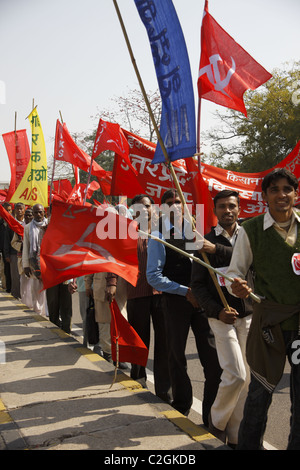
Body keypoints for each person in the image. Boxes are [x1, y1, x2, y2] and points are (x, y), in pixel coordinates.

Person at [226, 168, 300, 450]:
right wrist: (241, 287)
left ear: (295, 193)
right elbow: (235, 274)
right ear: (265, 195)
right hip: (268, 324)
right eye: (274, 190)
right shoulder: (252, 230)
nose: (281, 195)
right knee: (259, 393)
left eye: (287, 189)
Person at [146, 189, 222, 424]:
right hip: (175, 302)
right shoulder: (158, 236)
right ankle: (182, 408)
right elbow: (153, 276)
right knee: (176, 356)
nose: (175, 206)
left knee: (212, 358)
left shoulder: (199, 233)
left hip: (203, 303)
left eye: (178, 201)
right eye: (169, 203)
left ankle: (212, 415)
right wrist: (185, 291)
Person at [190, 189, 253, 447]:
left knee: (247, 379)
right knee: (235, 374)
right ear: (214, 211)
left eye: (232, 206)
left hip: (248, 316)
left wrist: (215, 249)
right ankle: (216, 423)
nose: (228, 211)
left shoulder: (248, 237)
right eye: (222, 207)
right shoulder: (201, 242)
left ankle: (236, 435)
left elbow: (249, 262)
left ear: (239, 210)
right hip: (220, 318)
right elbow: (197, 286)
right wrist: (217, 312)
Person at [106, 195, 172, 403]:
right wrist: (112, 283)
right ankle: (138, 379)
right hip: (137, 292)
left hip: (162, 293)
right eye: (139, 207)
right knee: (139, 339)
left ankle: (164, 389)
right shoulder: (125, 232)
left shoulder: (164, 230)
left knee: (164, 342)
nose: (143, 210)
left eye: (147, 206)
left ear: (153, 208)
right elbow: (115, 259)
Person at [22, 203, 47, 316]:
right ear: (32, 213)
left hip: (47, 263)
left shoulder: (49, 225)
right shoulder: (28, 228)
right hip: (34, 262)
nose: (38, 214)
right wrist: (26, 265)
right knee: (36, 289)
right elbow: (26, 247)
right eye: (35, 212)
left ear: (44, 212)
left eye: (40, 212)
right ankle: (38, 313)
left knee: (48, 291)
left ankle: (47, 313)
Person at [11, 207, 34, 308]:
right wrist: (22, 246)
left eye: (30, 215)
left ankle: (35, 305)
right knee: (24, 283)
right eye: (27, 216)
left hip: (35, 261)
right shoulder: (19, 228)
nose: (28, 217)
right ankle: (25, 304)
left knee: (34, 284)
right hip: (22, 260)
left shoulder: (38, 227)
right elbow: (13, 242)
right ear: (24, 216)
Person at [4, 202, 25, 299]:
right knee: (15, 276)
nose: (19, 211)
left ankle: (25, 297)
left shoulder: (28, 223)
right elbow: (6, 240)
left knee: (25, 277)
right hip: (14, 254)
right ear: (14, 210)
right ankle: (16, 296)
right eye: (17, 209)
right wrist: (7, 254)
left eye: (21, 209)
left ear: (24, 210)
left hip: (26, 254)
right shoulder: (11, 223)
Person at [0, 202, 12, 293]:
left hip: (10, 251)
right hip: (1, 251)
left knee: (9, 270)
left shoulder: (13, 223)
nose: (7, 212)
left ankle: (10, 289)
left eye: (9, 210)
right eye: (5, 210)